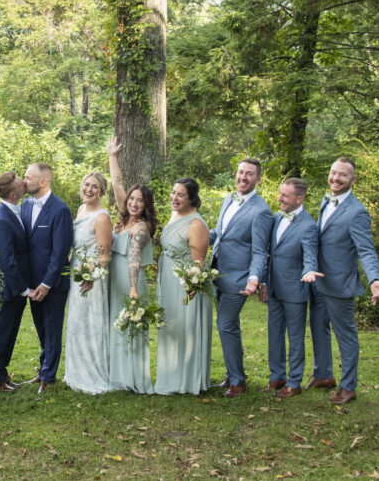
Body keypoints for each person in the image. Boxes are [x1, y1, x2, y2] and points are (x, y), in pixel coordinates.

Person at [302, 157, 379, 405]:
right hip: (317, 280)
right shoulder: (325, 201)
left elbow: (367, 250)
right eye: (333, 173)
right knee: (318, 327)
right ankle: (323, 374)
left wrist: (375, 279)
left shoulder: (357, 212)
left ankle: (348, 387)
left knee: (345, 335)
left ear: (353, 180)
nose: (336, 179)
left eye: (343, 175)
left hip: (340, 284)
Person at [208, 157, 273, 397]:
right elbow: (219, 234)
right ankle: (232, 374)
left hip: (239, 278)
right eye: (240, 172)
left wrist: (255, 278)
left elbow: (260, 251)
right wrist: (191, 231)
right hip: (217, 272)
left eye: (249, 174)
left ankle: (238, 382)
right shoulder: (228, 199)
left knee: (225, 325)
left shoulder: (261, 211)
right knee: (229, 326)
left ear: (257, 178)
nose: (243, 178)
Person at [106, 138, 158, 394]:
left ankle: (132, 378)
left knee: (130, 327)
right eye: (132, 199)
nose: (134, 203)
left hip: (129, 280)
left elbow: (135, 256)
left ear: (146, 206)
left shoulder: (140, 228)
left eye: (140, 201)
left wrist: (134, 288)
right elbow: (117, 183)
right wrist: (112, 155)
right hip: (113, 278)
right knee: (115, 325)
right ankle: (115, 376)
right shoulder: (123, 218)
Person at [261, 178, 318, 398]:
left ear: (299, 199)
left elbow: (310, 256)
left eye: (285, 196)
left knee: (295, 338)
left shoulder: (309, 225)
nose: (280, 198)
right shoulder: (276, 218)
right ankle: (277, 376)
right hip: (274, 287)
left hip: (295, 290)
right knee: (274, 334)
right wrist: (265, 282)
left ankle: (294, 382)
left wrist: (309, 271)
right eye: (280, 193)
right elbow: (269, 253)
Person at [155, 178, 212, 396]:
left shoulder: (196, 224)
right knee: (171, 325)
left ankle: (187, 378)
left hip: (186, 286)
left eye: (180, 195)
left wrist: (190, 288)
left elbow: (198, 263)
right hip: (169, 280)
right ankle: (171, 373)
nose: (174, 198)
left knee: (185, 324)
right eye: (173, 192)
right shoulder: (175, 215)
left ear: (191, 198)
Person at [21, 162, 74, 394]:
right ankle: (44, 369)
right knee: (41, 327)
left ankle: (49, 376)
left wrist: (47, 283)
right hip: (31, 283)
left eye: (28, 177)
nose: (24, 181)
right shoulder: (24, 205)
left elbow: (61, 251)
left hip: (52, 283)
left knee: (52, 329)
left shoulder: (60, 209)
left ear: (42, 182)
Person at [63, 171, 113, 394]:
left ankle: (92, 372)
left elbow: (104, 256)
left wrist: (91, 277)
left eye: (94, 186)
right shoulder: (81, 210)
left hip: (91, 280)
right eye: (86, 185)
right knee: (76, 322)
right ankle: (75, 372)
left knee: (90, 323)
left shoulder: (102, 217)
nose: (88, 190)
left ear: (101, 191)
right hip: (77, 273)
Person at [0, 170, 31, 392]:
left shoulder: (13, 210)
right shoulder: (2, 219)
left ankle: (2, 374)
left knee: (10, 332)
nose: (25, 183)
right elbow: (5, 260)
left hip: (14, 288)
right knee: (1, 333)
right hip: (6, 289)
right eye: (20, 183)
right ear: (13, 194)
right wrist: (23, 289)